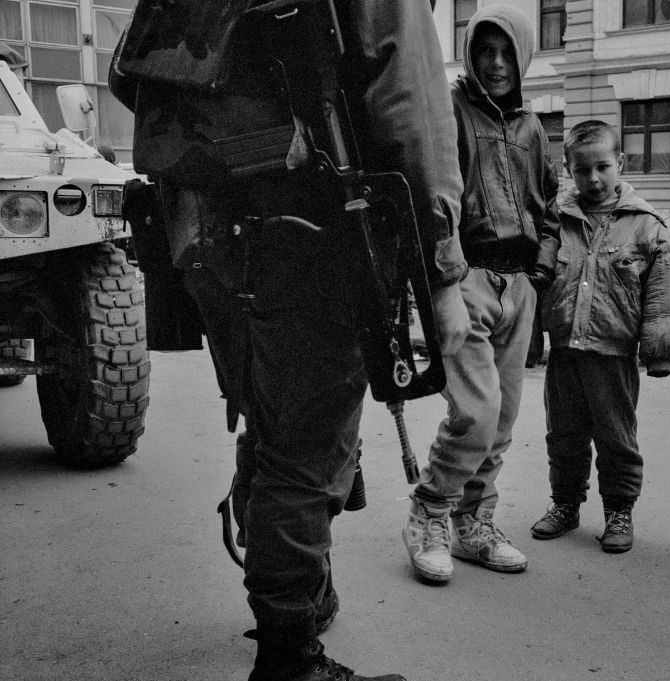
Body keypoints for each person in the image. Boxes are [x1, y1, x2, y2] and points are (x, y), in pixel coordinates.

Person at [110, 2, 471, 680]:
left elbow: (131, 79)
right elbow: (413, 108)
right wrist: (443, 270)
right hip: (311, 230)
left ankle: (300, 592)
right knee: (304, 448)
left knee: (272, 418)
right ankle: (289, 656)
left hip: (205, 230)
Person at [401, 3, 560, 584]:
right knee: (476, 411)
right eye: (484, 51)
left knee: (504, 419)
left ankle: (474, 523)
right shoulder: (451, 109)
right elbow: (435, 195)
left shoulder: (532, 128)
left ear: (523, 56)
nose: (496, 64)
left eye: (507, 52)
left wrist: (538, 275)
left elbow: (550, 206)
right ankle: (429, 509)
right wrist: (449, 275)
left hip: (519, 286)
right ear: (470, 54)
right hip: (466, 278)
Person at [529, 120, 670, 553]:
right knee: (563, 434)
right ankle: (565, 504)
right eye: (581, 170)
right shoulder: (556, 220)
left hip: (612, 355)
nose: (593, 179)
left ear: (621, 163)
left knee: (616, 437)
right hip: (564, 352)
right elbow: (538, 281)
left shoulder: (644, 225)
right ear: (568, 169)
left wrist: (659, 350)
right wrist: (532, 340)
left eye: (603, 167)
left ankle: (619, 510)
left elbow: (660, 294)